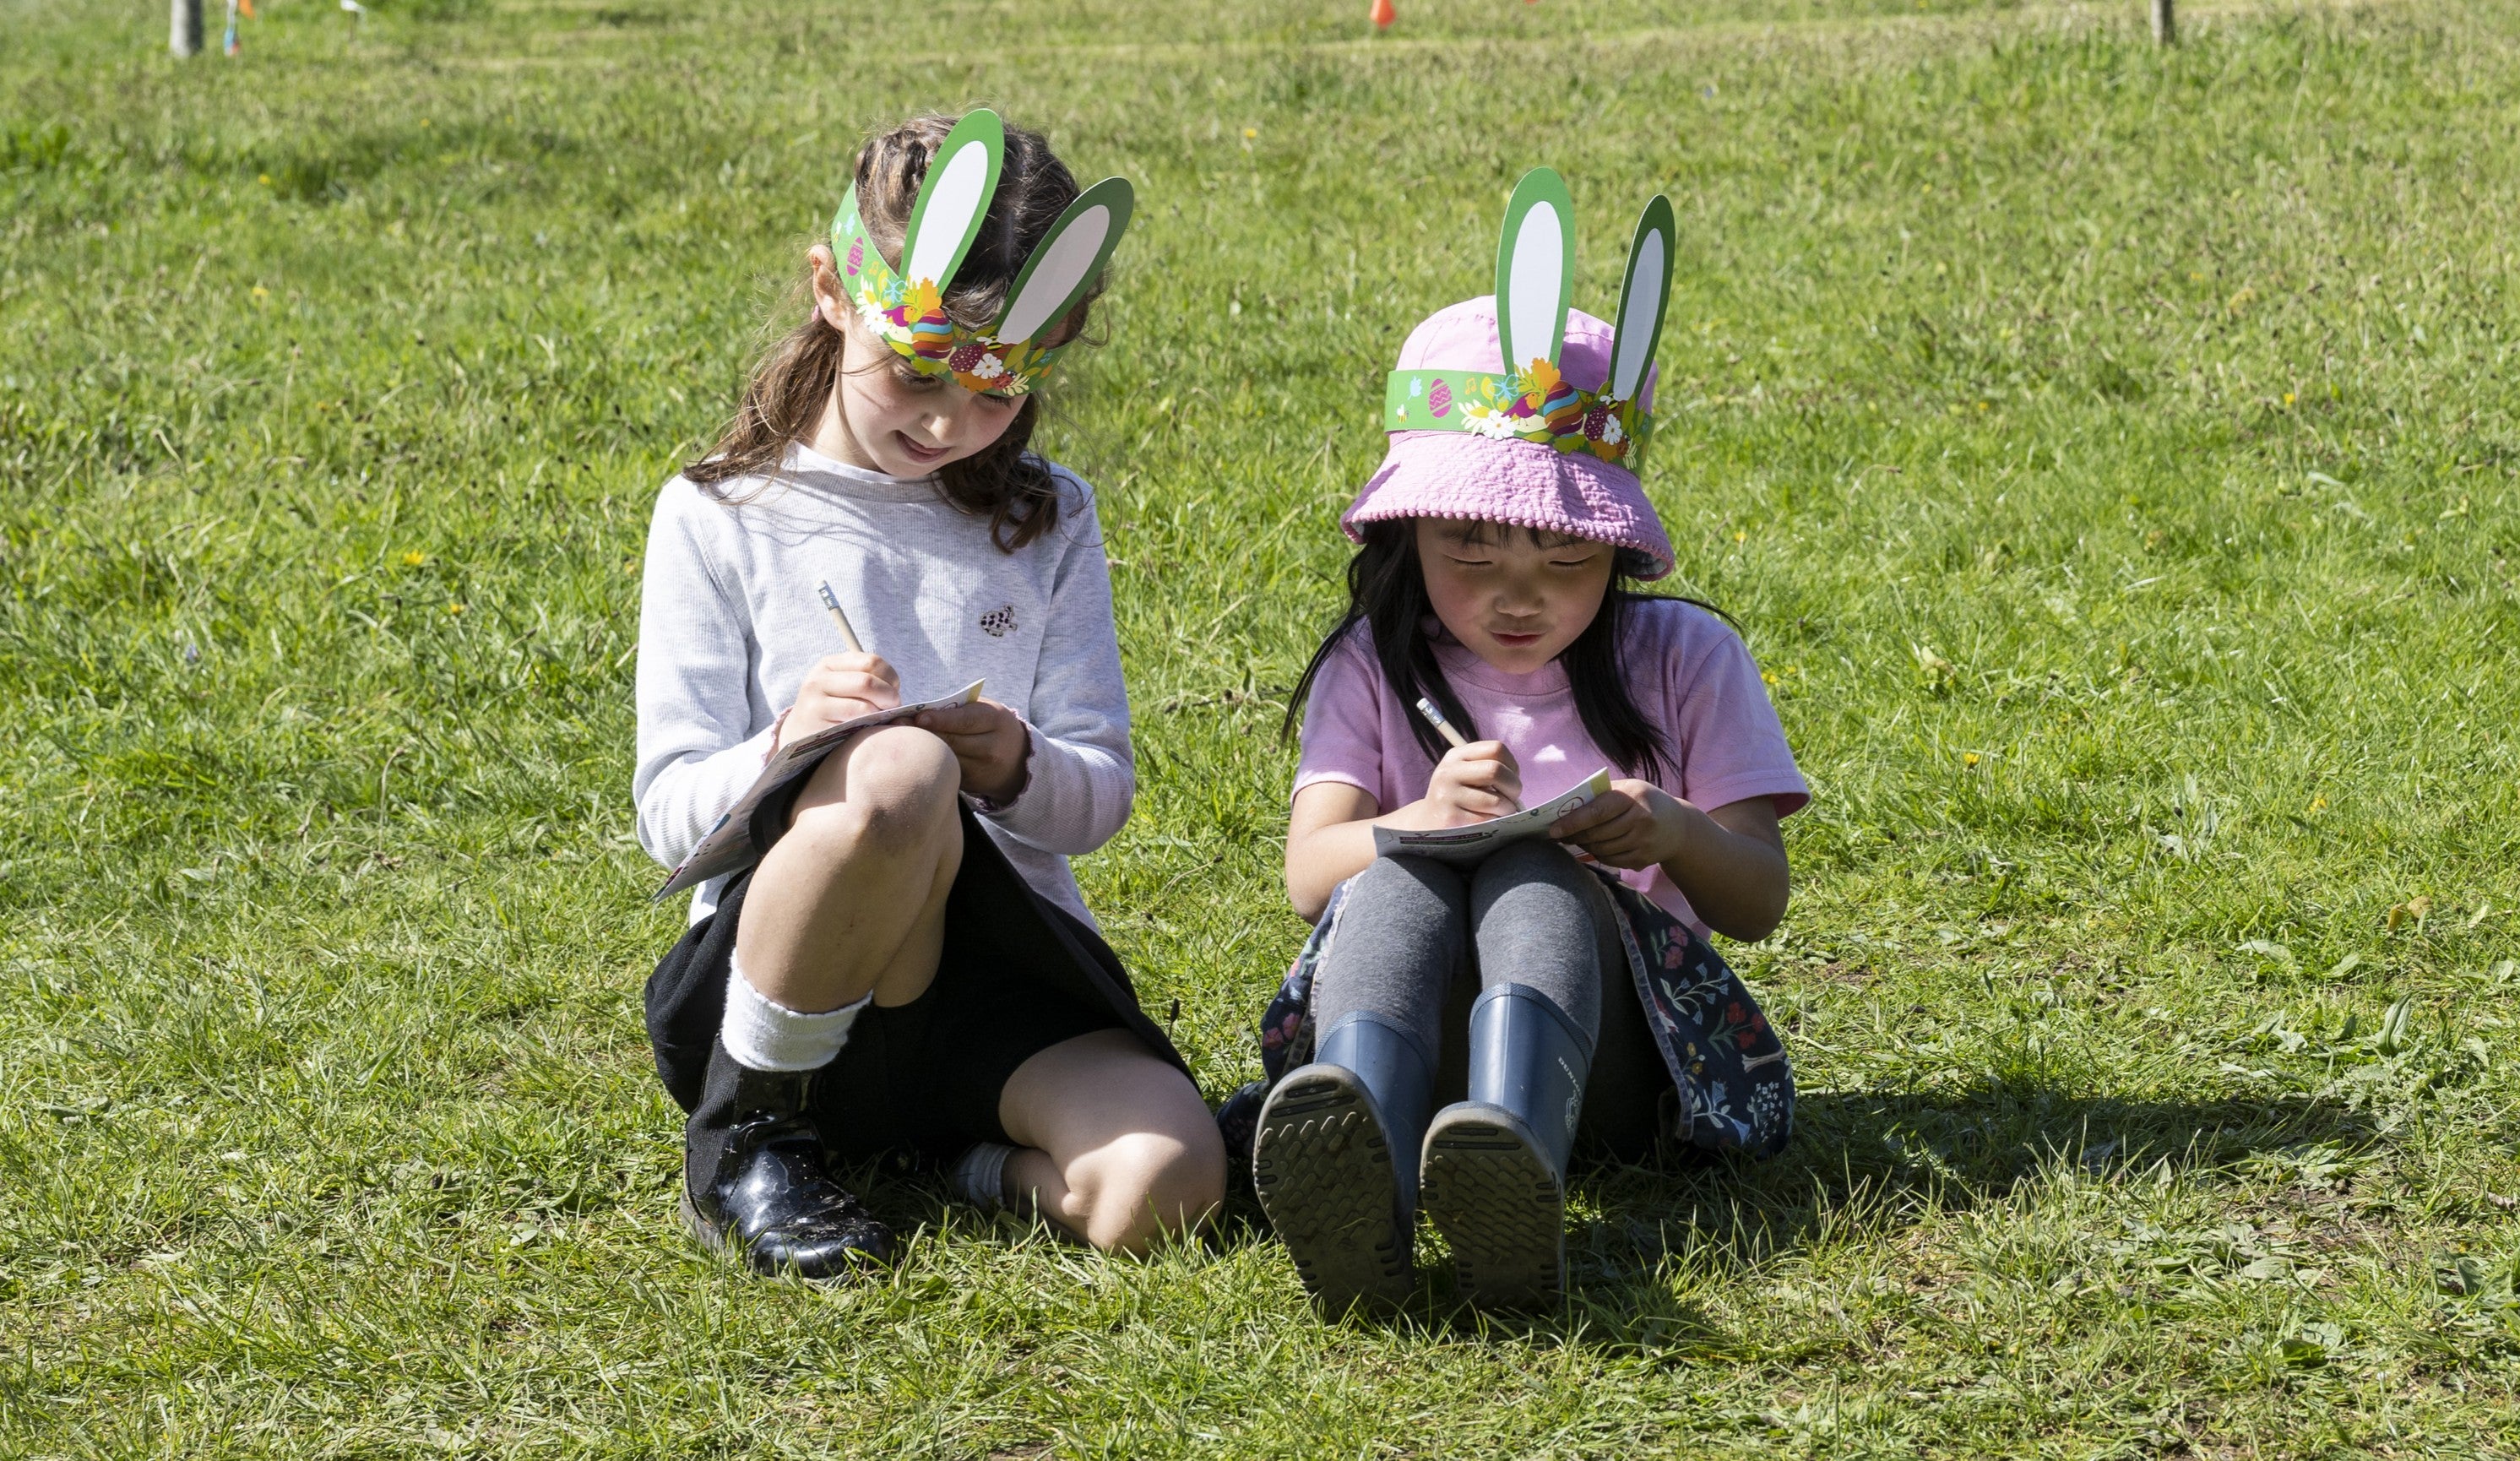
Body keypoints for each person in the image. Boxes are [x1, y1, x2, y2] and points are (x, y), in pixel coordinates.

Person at [633, 111, 1223, 1279]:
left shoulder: (1049, 519)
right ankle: (751, 1133)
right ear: (830, 290)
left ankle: (960, 1162)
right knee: (898, 772)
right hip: (793, 980)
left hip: (990, 992)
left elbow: (1101, 793)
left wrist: (1013, 761)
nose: (950, 424)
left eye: (995, 393)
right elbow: (666, 813)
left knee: (1173, 1182)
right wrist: (787, 749)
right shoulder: (719, 514)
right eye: (916, 371)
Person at [1241, 170, 1809, 1312]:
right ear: (1410, 535)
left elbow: (1755, 899)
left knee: (1539, 871)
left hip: (1611, 1068)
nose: (1517, 596)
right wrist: (1416, 822)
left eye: (1564, 561)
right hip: (1410, 1033)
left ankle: (1515, 1163)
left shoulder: (1688, 658)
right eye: (1471, 553)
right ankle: (1362, 1172)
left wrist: (1673, 830)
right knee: (1400, 882)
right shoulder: (1373, 663)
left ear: (1616, 550)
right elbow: (1313, 871)